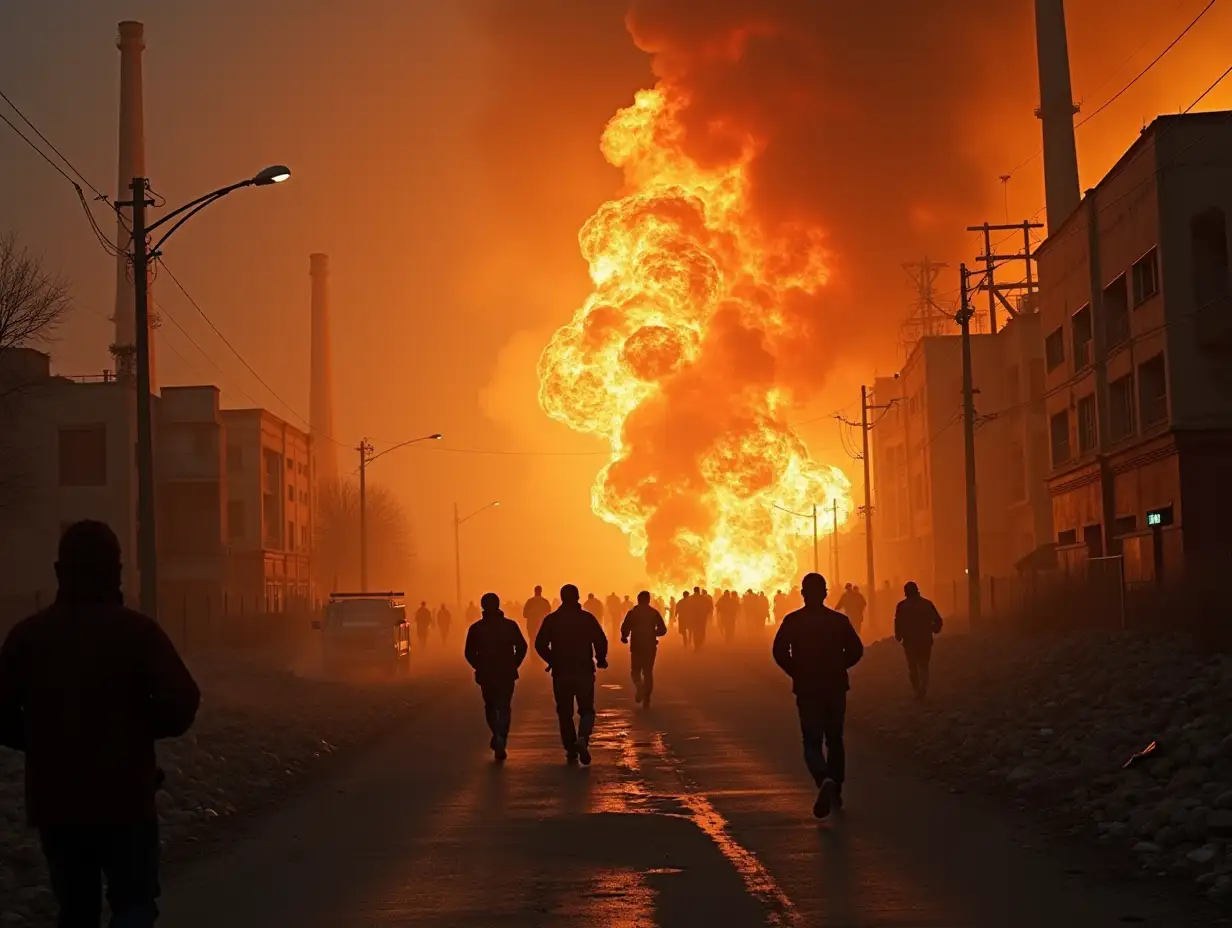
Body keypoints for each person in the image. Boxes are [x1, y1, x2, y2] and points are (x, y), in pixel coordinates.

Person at [0, 520, 201, 926]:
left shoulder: (29, 637)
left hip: (56, 800)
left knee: (75, 908)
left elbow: (1, 713)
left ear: (59, 572)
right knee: (134, 902)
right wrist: (137, 730)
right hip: (125, 796)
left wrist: (43, 740)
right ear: (117, 571)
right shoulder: (138, 633)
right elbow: (182, 701)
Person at [772, 572, 864, 819]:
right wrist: (840, 666)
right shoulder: (839, 621)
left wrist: (796, 671)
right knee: (835, 738)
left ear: (803, 594)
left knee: (812, 741)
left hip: (808, 688)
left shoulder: (793, 621)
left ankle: (823, 778)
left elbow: (779, 651)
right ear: (825, 594)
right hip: (835, 687)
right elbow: (857, 650)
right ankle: (836, 787)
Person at [535, 584, 608, 765]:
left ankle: (571, 749)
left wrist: (552, 659)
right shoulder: (587, 619)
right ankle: (582, 738)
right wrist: (600, 658)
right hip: (583, 670)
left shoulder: (552, 620)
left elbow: (540, 644)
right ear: (577, 598)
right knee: (587, 710)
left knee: (564, 712)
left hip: (561, 673)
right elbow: (601, 639)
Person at [463, 592, 528, 761]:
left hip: (487, 673)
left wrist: (479, 666)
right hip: (506, 672)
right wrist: (515, 663)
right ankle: (502, 737)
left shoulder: (476, 628)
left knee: (490, 706)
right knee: (504, 706)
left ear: (483, 606)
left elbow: (469, 653)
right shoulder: (510, 626)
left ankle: (496, 733)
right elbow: (522, 646)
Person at [894, 581, 943, 699]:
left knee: (913, 666)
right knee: (923, 664)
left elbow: (898, 622)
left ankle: (918, 689)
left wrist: (898, 635)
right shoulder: (926, 604)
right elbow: (938, 620)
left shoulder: (902, 606)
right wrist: (934, 629)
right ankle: (923, 686)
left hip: (909, 641)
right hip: (925, 639)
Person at [620, 591, 667, 707]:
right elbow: (663, 630)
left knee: (635, 671)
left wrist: (624, 636)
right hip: (650, 646)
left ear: (638, 600)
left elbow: (625, 627)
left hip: (636, 646)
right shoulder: (653, 613)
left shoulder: (632, 613)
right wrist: (652, 633)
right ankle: (647, 698)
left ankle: (639, 686)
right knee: (648, 672)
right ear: (648, 600)